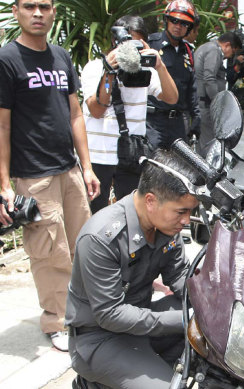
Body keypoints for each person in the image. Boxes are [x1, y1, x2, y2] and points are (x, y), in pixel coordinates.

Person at [0, 0, 100, 351]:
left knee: (84, 244)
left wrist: (86, 166)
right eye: (29, 6)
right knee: (51, 252)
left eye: (44, 6)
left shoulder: (60, 56)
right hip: (33, 175)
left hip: (68, 168)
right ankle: (57, 322)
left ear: (54, 11)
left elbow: (75, 114)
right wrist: (4, 186)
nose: (38, 13)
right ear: (16, 12)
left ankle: (84, 315)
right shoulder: (7, 59)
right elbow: (2, 124)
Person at [66, 149, 199, 389]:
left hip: (139, 324)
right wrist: (185, 320)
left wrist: (210, 302)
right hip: (99, 339)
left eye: (190, 212)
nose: (186, 221)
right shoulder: (101, 237)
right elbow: (110, 314)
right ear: (151, 201)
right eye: (181, 212)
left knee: (204, 324)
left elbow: (179, 276)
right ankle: (96, 382)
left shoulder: (166, 227)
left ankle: (152, 370)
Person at [82, 15, 178, 214]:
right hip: (100, 157)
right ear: (114, 43)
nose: (132, 51)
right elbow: (97, 109)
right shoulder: (95, 68)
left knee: (130, 215)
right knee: (95, 215)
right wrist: (109, 72)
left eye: (138, 44)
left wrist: (159, 65)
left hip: (130, 157)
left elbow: (171, 98)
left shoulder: (146, 72)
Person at [146, 0, 200, 150]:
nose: (178, 26)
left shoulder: (188, 51)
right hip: (153, 122)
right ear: (166, 20)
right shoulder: (152, 44)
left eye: (184, 24)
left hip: (177, 123)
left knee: (179, 167)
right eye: (174, 21)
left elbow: (191, 88)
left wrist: (196, 118)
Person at [194, 31, 241, 156]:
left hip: (203, 102)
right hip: (206, 104)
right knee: (208, 144)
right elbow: (209, 78)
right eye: (233, 51)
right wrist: (217, 103)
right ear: (227, 45)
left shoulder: (206, 47)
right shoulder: (214, 50)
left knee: (204, 142)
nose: (230, 56)